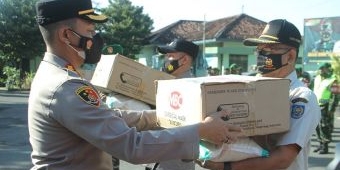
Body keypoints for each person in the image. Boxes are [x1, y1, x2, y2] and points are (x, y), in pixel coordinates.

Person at [28, 0, 242, 169]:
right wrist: (200, 131)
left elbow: (111, 118)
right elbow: (132, 147)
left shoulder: (58, 76)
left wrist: (167, 116)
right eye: (90, 31)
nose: (96, 38)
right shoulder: (66, 86)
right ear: (66, 35)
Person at [196, 19, 321, 170]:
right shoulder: (247, 89)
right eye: (259, 49)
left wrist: (225, 167)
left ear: (290, 56)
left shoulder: (301, 97)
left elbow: (282, 159)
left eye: (269, 49)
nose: (261, 54)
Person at [143, 39, 199, 170]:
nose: (166, 59)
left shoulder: (191, 88)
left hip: (174, 161)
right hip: (157, 157)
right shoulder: (167, 84)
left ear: (184, 60)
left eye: (171, 55)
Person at [313, 63, 339, 154]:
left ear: (327, 69)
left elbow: (335, 96)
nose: (320, 70)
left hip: (325, 106)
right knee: (317, 126)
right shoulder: (317, 78)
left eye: (322, 68)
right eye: (320, 69)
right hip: (315, 106)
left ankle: (325, 147)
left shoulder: (332, 80)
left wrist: (331, 109)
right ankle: (320, 144)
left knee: (324, 126)